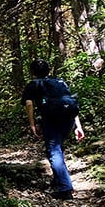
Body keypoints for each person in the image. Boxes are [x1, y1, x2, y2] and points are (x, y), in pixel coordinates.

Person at [21, 59, 85, 199]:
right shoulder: (60, 82)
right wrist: (78, 126)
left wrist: (32, 124)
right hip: (68, 120)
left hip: (51, 120)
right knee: (57, 149)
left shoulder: (33, 84)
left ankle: (64, 188)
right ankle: (58, 181)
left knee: (54, 151)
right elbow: (70, 101)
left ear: (32, 72)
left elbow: (29, 104)